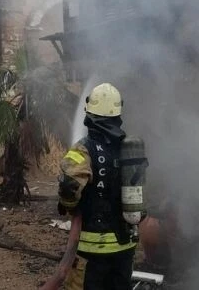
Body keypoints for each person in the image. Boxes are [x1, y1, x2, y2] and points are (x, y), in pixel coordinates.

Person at [57, 82, 137, 290]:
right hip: (125, 246)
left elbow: (69, 186)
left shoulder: (83, 149)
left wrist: (69, 206)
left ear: (89, 113)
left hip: (92, 250)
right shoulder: (130, 149)